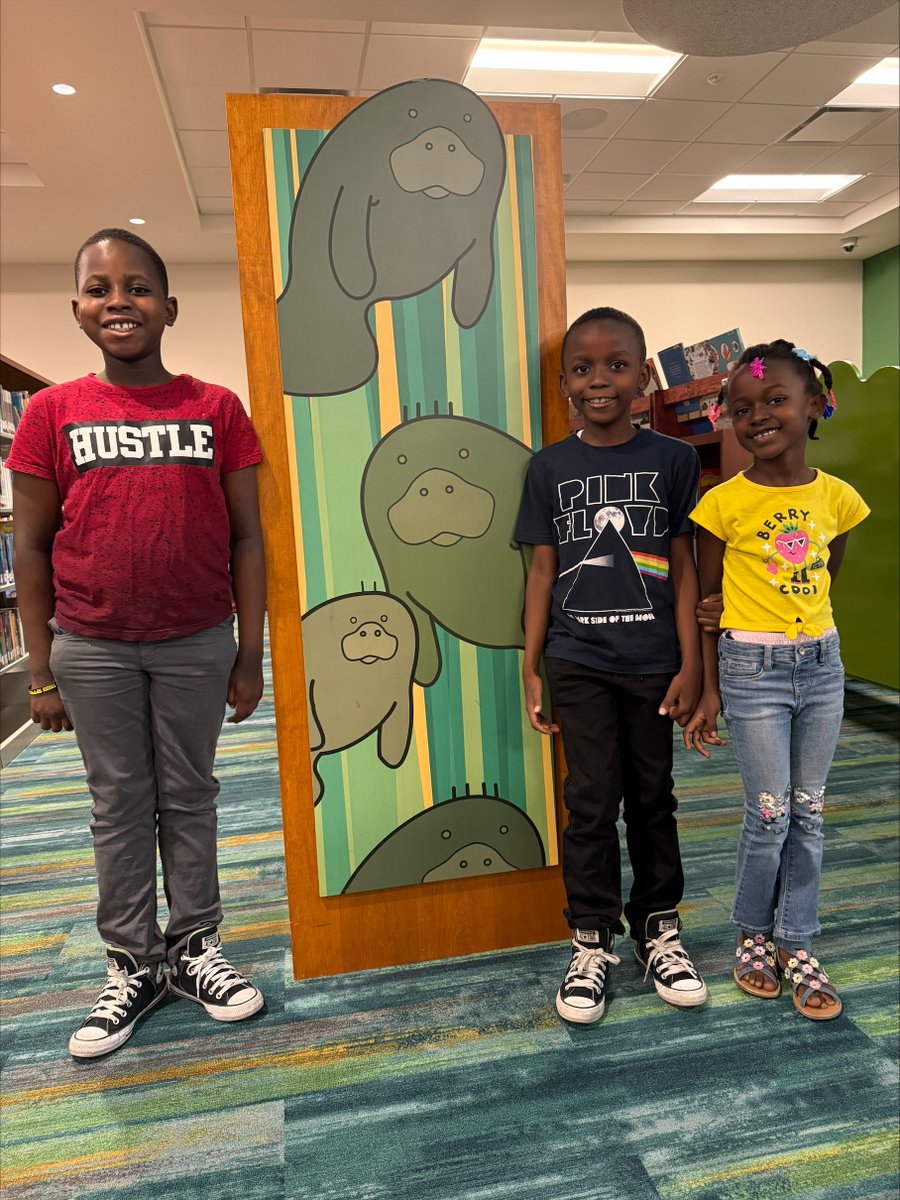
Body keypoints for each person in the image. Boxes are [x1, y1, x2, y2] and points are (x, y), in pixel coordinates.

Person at [9, 229, 268, 1058]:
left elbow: (248, 538)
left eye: (137, 287)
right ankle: (132, 963)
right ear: (78, 310)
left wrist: (249, 651)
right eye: (98, 288)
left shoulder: (218, 407)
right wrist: (41, 670)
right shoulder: (52, 411)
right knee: (118, 804)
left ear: (170, 307)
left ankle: (195, 948)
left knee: (190, 795)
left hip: (196, 640)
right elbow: (31, 546)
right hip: (92, 645)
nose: (118, 300)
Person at [515, 306, 708, 1025]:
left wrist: (693, 663)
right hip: (578, 662)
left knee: (653, 799)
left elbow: (686, 566)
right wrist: (531, 666)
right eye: (583, 368)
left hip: (656, 663)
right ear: (564, 381)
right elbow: (541, 572)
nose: (599, 380)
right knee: (591, 803)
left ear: (643, 375)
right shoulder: (549, 467)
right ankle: (591, 937)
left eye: (616, 365)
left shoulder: (675, 460)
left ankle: (658, 927)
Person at [685, 340, 868, 1021]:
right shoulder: (721, 505)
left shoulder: (839, 499)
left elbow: (826, 575)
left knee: (811, 813)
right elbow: (707, 606)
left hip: (821, 667)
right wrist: (708, 692)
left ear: (814, 405)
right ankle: (752, 933)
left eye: (775, 400)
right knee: (769, 816)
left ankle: (797, 938)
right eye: (742, 408)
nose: (758, 414)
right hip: (751, 673)